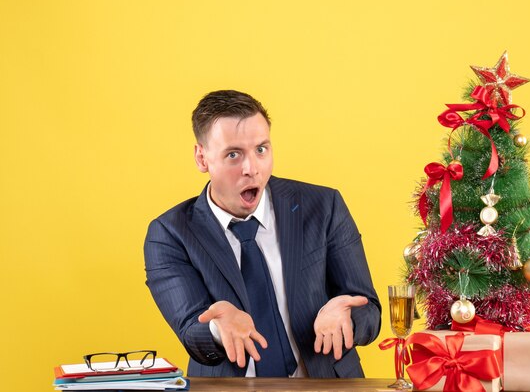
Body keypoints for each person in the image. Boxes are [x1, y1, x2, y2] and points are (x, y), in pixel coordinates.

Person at [144, 90, 381, 378]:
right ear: (202, 158)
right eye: (233, 154)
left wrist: (347, 318)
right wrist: (219, 328)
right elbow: (192, 331)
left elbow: (370, 311)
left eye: (261, 149)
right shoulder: (169, 234)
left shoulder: (324, 206)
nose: (251, 169)